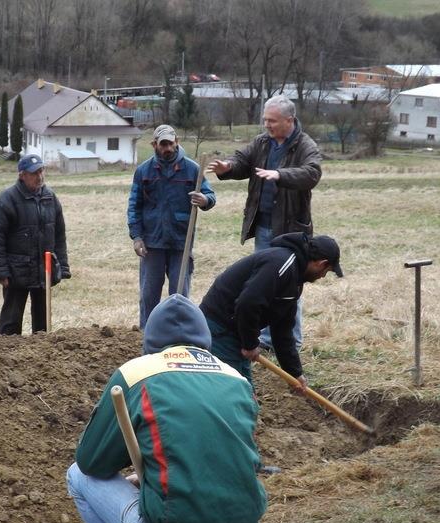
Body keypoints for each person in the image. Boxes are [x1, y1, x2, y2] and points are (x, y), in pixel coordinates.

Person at [66, 294, 267, 523]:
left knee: (78, 476)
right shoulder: (236, 378)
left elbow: (91, 463)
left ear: (151, 342)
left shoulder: (136, 374)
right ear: (206, 341)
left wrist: (138, 474)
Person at [208, 95, 322, 350]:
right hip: (263, 226)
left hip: (292, 230)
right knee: (264, 282)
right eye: (265, 120)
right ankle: (267, 339)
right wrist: (227, 167)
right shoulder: (262, 143)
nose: (267, 125)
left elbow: (312, 173)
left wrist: (280, 175)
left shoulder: (305, 145)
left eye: (272, 121)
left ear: (289, 120)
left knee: (289, 284)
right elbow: (242, 161)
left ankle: (291, 340)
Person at [199, 233, 343, 388]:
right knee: (232, 391)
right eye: (326, 271)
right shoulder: (281, 263)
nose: (322, 276)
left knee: (246, 393)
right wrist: (250, 344)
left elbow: (283, 330)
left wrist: (294, 373)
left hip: (237, 331)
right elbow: (248, 303)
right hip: (218, 327)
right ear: (322, 263)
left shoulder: (295, 281)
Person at [128, 124, 216, 328]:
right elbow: (134, 206)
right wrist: (137, 237)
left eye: (170, 143)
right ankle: (147, 333)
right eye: (163, 144)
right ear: (154, 145)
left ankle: (178, 334)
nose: (167, 148)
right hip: (152, 243)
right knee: (149, 295)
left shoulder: (192, 169)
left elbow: (210, 195)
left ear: (177, 142)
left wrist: (204, 200)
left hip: (181, 243)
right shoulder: (144, 171)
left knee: (180, 296)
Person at [0, 154, 71, 335]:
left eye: (41, 171)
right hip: (16, 273)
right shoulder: (7, 200)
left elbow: (59, 235)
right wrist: (0, 272)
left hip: (43, 271)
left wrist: (62, 266)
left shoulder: (50, 198)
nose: (39, 176)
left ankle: (40, 358)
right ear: (21, 175)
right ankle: (6, 355)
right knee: (11, 322)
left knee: (43, 325)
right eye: (34, 173)